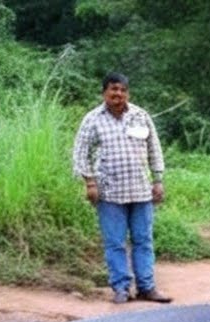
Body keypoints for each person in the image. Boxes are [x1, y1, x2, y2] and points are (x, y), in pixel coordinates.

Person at [72, 72, 171, 304]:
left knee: (143, 239)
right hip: (109, 192)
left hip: (140, 190)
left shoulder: (140, 116)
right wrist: (90, 182)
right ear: (104, 92)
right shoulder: (93, 119)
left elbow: (153, 149)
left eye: (123, 90)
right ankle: (121, 289)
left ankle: (147, 288)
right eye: (113, 89)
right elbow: (80, 152)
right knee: (115, 242)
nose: (118, 94)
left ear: (128, 93)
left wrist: (158, 180)